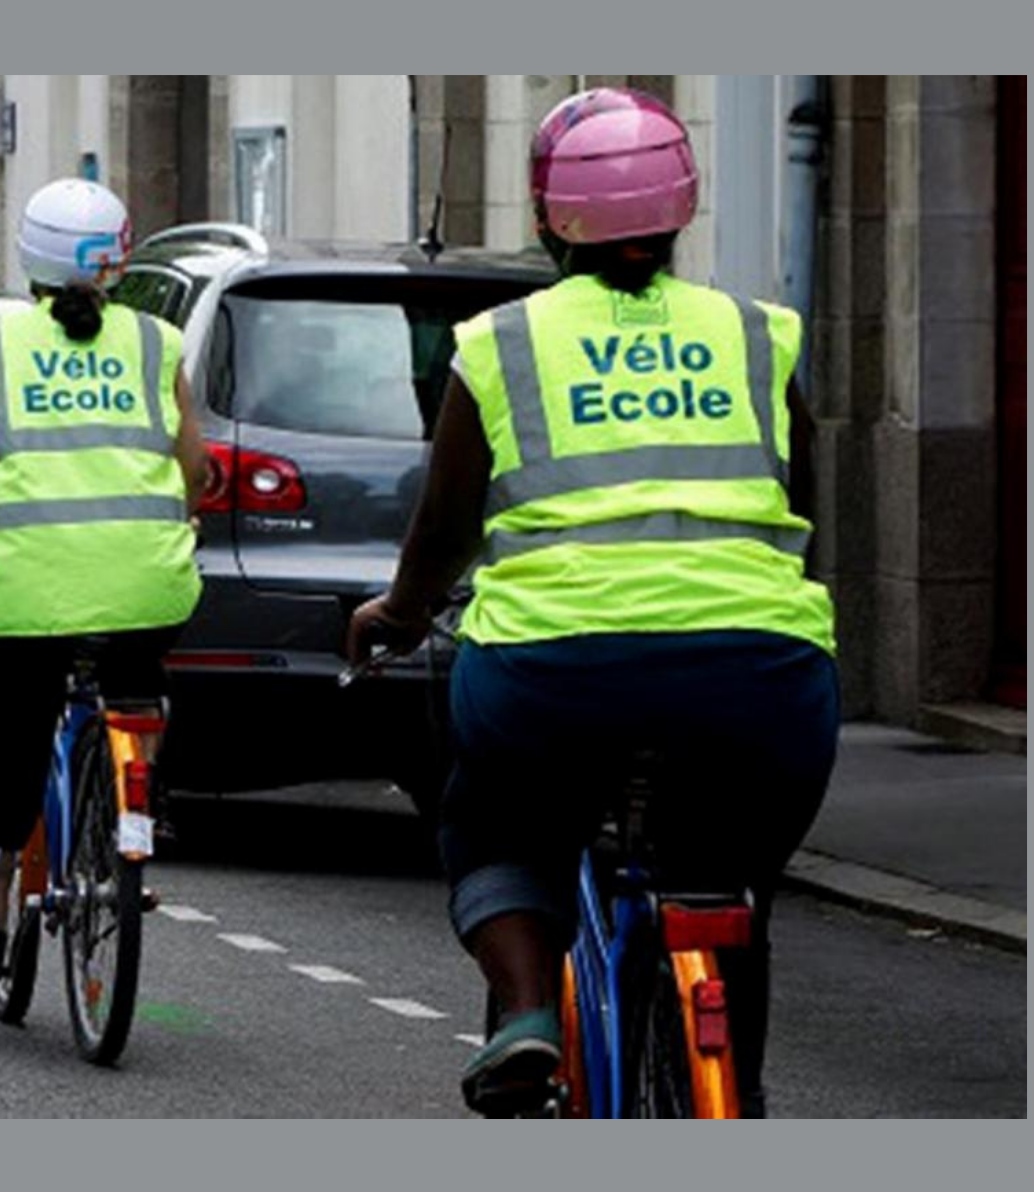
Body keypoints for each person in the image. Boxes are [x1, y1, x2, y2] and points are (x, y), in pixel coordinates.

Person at [345, 89, 839, 1118]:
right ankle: (726, 1090)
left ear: (543, 216)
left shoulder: (497, 346)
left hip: (549, 672)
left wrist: (396, 612)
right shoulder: (757, 333)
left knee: (491, 825)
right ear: (680, 208)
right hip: (759, 674)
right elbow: (800, 504)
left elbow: (443, 534)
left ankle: (524, 1012)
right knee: (729, 879)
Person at [0, 179, 211, 983]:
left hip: (26, 592)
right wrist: (179, 518)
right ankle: (137, 802)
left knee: (7, 743)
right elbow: (195, 467)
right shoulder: (155, 343)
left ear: (29, 258)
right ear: (120, 260)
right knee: (137, 683)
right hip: (145, 580)